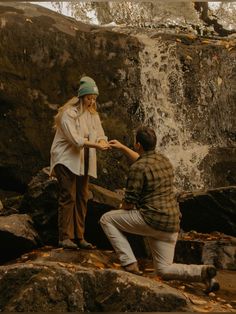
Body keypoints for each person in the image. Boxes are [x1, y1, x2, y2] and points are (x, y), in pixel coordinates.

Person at [100, 126, 219, 293]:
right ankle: (203, 272)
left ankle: (129, 263)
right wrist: (122, 147)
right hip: (171, 223)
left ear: (138, 145)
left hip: (152, 220)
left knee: (107, 219)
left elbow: (129, 202)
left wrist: (122, 206)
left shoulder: (138, 168)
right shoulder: (164, 160)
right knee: (163, 269)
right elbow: (143, 161)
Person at [50, 76, 110, 249]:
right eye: (88, 97)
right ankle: (65, 237)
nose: (91, 101)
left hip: (84, 160)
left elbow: (101, 134)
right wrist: (97, 145)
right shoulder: (68, 114)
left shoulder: (93, 115)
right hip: (66, 159)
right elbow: (76, 141)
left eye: (94, 98)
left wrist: (104, 142)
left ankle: (79, 236)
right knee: (68, 195)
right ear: (81, 96)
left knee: (82, 197)